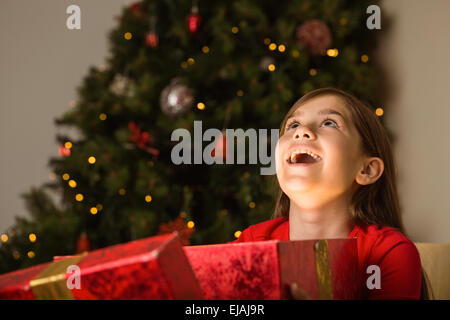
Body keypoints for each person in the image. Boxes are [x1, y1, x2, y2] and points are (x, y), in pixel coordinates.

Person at [233, 87, 429, 300]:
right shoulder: (251, 243)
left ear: (367, 170)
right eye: (293, 125)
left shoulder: (388, 253)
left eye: (329, 123)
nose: (301, 131)